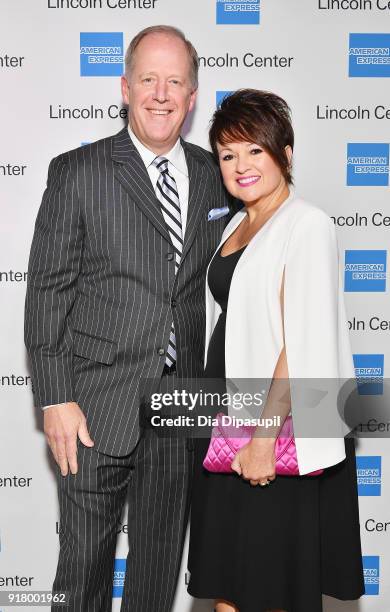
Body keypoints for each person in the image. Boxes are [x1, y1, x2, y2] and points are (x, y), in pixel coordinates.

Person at [24, 25, 232, 612]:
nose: (161, 94)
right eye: (148, 79)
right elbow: (45, 293)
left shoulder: (218, 173)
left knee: (157, 574)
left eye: (175, 82)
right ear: (124, 87)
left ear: (193, 96)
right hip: (93, 405)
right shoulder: (79, 171)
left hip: (181, 407)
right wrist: (54, 397)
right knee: (82, 571)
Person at [187, 89, 365, 612]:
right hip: (228, 422)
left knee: (267, 588)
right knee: (230, 586)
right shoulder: (235, 227)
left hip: (275, 428)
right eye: (227, 154)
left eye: (254, 151)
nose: (240, 165)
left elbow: (300, 339)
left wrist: (263, 437)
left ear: (285, 153)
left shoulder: (306, 224)